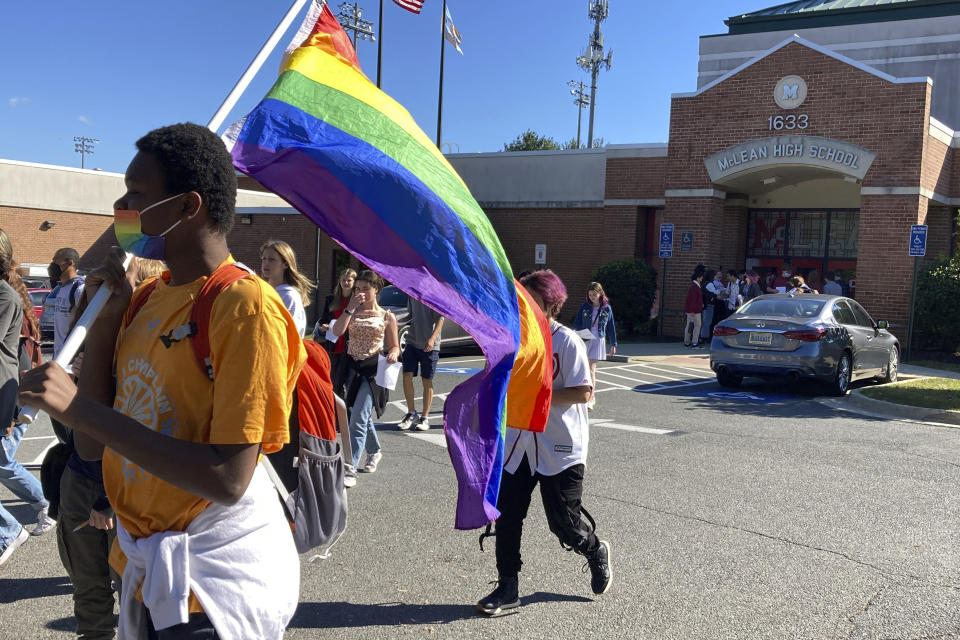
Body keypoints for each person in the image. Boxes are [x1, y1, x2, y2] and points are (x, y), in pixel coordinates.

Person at [19, 123, 305, 638]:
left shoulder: (245, 306)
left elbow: (227, 479)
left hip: (212, 590)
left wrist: (79, 408)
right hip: (146, 570)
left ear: (187, 207)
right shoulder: (147, 297)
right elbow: (89, 446)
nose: (122, 207)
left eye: (138, 194)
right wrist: (105, 322)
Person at [477, 270, 611, 616]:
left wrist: (539, 395)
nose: (522, 303)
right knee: (507, 517)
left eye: (530, 297)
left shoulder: (566, 341)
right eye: (519, 296)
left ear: (549, 303)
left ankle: (595, 549)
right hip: (519, 443)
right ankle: (508, 587)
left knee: (563, 524)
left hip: (560, 445)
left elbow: (584, 391)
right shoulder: (513, 339)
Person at [0, 230, 55, 568]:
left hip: (7, 391)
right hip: (13, 391)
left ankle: (11, 527)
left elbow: (22, 356)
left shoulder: (5, 296)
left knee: (4, 461)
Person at [331, 270, 399, 476]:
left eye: (365, 289)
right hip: (352, 367)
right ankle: (375, 451)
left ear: (376, 289)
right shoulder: (352, 312)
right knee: (358, 413)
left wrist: (394, 354)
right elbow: (336, 333)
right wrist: (350, 308)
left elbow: (395, 345)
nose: (361, 293)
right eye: (357, 289)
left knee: (358, 417)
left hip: (373, 369)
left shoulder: (387, 316)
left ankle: (349, 467)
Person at [398, 298, 443, 431]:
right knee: (407, 375)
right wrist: (397, 322)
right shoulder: (411, 294)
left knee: (426, 380)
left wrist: (432, 339)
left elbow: (440, 319)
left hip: (430, 344)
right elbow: (411, 315)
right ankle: (411, 414)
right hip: (412, 341)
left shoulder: (432, 293)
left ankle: (425, 417)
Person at [571, 282, 617, 410]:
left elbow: (611, 327)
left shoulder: (607, 308)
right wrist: (572, 334)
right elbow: (577, 323)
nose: (592, 297)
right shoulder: (584, 307)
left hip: (598, 339)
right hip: (585, 338)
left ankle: (591, 398)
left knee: (591, 370)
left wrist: (614, 344)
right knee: (583, 369)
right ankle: (584, 395)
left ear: (600, 293)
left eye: (594, 294)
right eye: (590, 294)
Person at [314, 268, 357, 398]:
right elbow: (323, 319)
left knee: (348, 383)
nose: (346, 283)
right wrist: (324, 326)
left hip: (350, 347)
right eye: (343, 280)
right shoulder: (331, 300)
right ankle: (338, 411)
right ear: (339, 281)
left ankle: (346, 411)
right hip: (333, 345)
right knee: (334, 382)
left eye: (349, 280)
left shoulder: (356, 302)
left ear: (354, 282)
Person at [260, 239, 315, 338]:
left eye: (271, 259)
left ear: (285, 264)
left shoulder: (289, 296)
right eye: (264, 258)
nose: (266, 263)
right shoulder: (262, 290)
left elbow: (291, 334)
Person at [49, 247, 85, 357]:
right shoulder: (62, 288)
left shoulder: (79, 288)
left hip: (70, 355)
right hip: (58, 352)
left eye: (57, 263)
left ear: (70, 263)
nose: (53, 267)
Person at [683, 271, 704, 348]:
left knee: (689, 326)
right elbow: (692, 300)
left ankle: (687, 342)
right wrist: (692, 310)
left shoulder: (694, 286)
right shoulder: (695, 287)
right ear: (698, 278)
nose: (702, 278)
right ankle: (694, 342)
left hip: (692, 310)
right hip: (695, 311)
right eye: (701, 277)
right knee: (697, 326)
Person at [700, 269, 717, 344]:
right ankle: (704, 337)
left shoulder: (704, 283)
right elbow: (716, 292)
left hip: (706, 305)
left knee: (705, 321)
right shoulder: (710, 284)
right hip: (709, 305)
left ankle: (704, 336)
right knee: (707, 322)